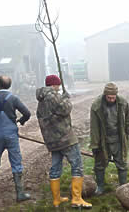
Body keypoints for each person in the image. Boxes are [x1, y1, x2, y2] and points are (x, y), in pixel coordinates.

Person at [36, 75, 92, 208]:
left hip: (52, 141)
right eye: (58, 85)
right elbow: (66, 109)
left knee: (55, 168)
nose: (59, 88)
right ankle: (77, 199)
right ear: (53, 85)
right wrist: (66, 98)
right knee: (77, 165)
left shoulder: (41, 100)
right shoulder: (53, 96)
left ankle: (56, 199)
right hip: (66, 139)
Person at [90, 82, 129, 195]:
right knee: (99, 164)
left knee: (122, 163)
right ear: (105, 95)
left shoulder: (122, 103)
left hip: (119, 138)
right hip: (103, 140)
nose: (111, 99)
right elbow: (94, 127)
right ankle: (100, 186)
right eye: (109, 97)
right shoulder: (97, 106)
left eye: (113, 97)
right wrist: (95, 144)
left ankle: (122, 187)